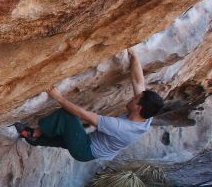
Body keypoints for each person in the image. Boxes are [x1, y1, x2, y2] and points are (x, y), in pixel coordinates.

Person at [15, 47, 164, 162]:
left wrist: (58, 98)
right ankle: (31, 138)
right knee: (65, 136)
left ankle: (35, 133)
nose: (132, 98)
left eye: (135, 99)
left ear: (139, 108)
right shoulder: (146, 115)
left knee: (67, 117)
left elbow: (82, 115)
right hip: (94, 148)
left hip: (85, 151)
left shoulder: (121, 127)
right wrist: (134, 55)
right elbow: (139, 82)